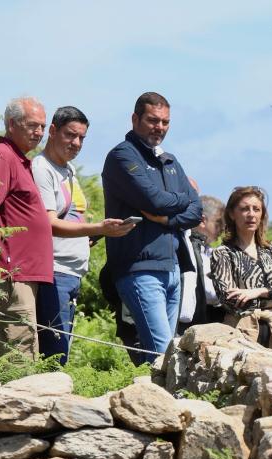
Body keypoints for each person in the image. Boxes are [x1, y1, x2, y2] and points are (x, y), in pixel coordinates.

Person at [102, 91, 202, 363]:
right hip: (140, 269)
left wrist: (168, 219)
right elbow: (154, 201)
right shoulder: (122, 156)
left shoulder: (170, 161)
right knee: (163, 356)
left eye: (165, 122)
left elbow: (197, 210)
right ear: (135, 119)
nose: (159, 127)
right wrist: (182, 200)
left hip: (173, 268)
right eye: (153, 120)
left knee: (165, 357)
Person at [31, 106, 134, 363]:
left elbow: (73, 217)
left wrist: (89, 236)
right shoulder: (42, 168)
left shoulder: (69, 170)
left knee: (62, 351)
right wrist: (99, 228)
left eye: (81, 138)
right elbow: (50, 223)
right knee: (54, 354)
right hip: (54, 271)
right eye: (70, 135)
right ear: (52, 131)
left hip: (73, 272)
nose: (76, 143)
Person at [0, 96, 54, 359]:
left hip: (22, 275)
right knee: (17, 355)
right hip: (10, 275)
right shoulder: (2, 156)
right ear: (11, 124)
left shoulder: (18, 159)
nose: (39, 132)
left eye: (42, 126)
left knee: (22, 348)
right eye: (32, 125)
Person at [209, 187, 272, 348]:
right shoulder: (222, 253)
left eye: (256, 209)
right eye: (245, 209)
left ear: (262, 214)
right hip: (240, 333)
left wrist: (257, 292)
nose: (251, 214)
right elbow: (230, 301)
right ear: (232, 214)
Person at [177, 194, 226, 334]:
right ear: (203, 220)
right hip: (185, 325)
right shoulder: (185, 247)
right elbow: (207, 291)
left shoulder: (209, 251)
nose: (222, 229)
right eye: (219, 223)